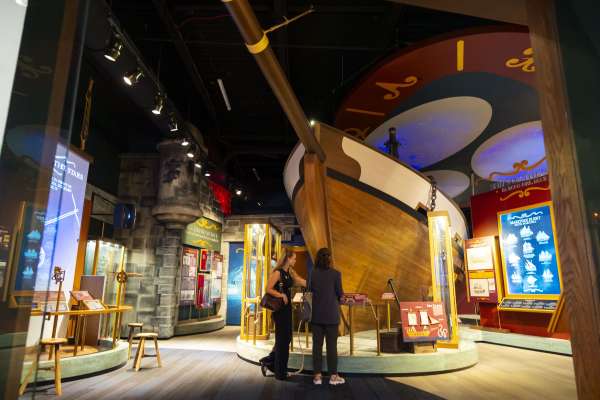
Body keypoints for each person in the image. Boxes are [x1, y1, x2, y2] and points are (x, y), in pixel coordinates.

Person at [265, 248, 306, 380]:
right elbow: (268, 289)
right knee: (282, 341)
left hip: (287, 310)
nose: (295, 260)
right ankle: (279, 372)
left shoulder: (289, 272)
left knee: (286, 340)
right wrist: (281, 294)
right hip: (280, 311)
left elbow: (301, 281)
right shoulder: (278, 273)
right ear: (287, 258)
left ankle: (272, 364)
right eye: (293, 258)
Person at [311, 247, 345, 385]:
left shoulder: (312, 274)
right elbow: (340, 294)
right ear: (329, 259)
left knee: (316, 346)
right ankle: (333, 376)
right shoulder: (336, 274)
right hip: (331, 315)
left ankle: (317, 376)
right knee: (332, 347)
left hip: (316, 316)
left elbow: (309, 291)